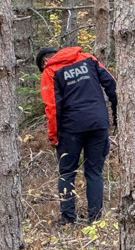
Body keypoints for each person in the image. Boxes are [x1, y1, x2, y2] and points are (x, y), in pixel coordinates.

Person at [38, 46, 117, 225]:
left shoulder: (50, 71)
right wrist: (117, 115)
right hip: (98, 124)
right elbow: (112, 85)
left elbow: (52, 108)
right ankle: (96, 221)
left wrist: (53, 136)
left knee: (67, 172)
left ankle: (67, 221)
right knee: (94, 172)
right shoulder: (88, 58)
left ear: (44, 61)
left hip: (70, 130)